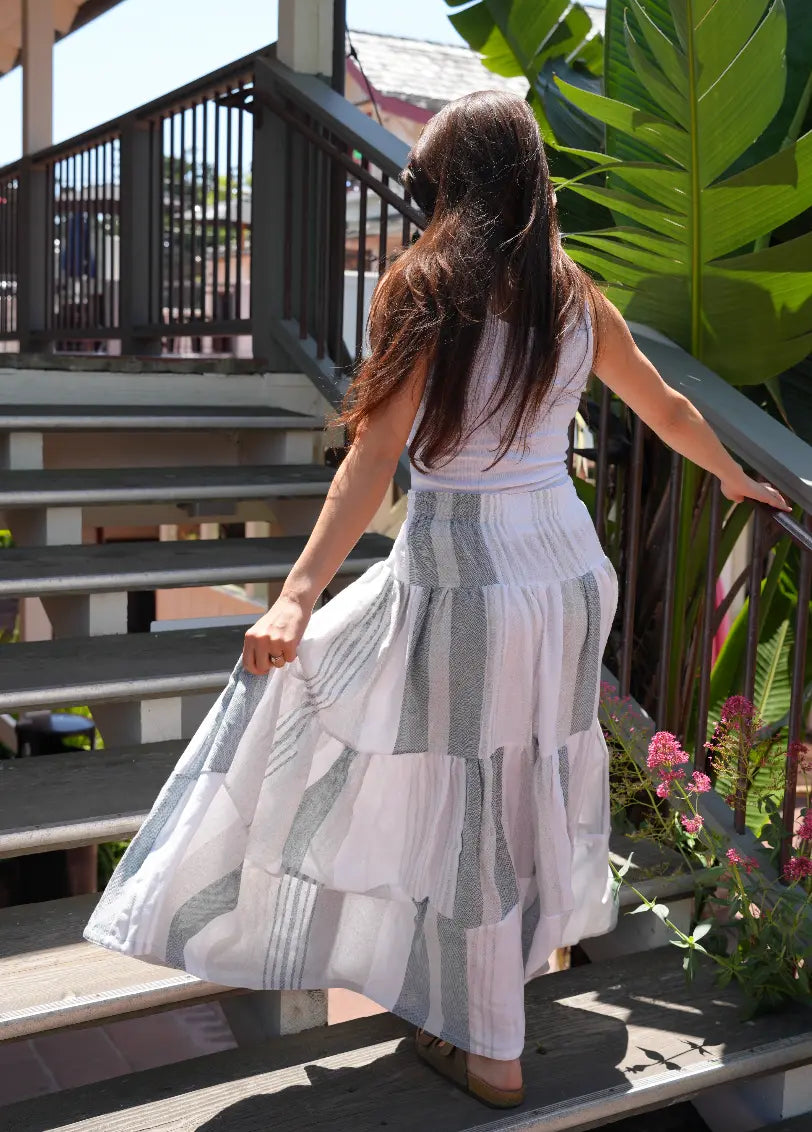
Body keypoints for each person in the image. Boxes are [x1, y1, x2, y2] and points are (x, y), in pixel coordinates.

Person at [84, 90, 790, 1110]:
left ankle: (489, 1047)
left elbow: (371, 455)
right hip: (561, 570)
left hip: (468, 571)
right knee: (521, 770)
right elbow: (666, 405)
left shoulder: (423, 286)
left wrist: (292, 595)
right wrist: (729, 475)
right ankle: (503, 977)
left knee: (454, 782)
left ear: (452, 186)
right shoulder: (569, 291)